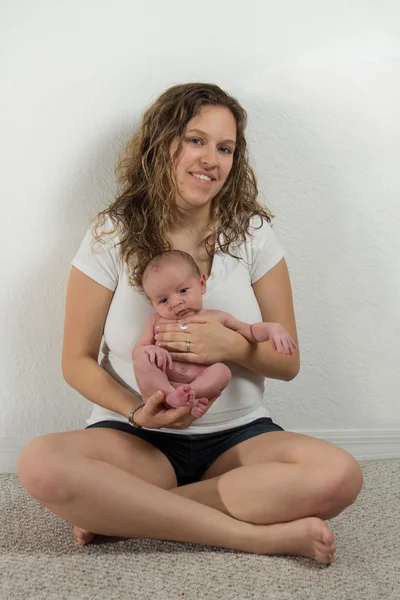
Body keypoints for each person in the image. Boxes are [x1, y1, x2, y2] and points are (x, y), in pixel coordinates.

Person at [16, 82, 363, 565]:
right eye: (196, 140)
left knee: (340, 475)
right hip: (136, 441)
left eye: (226, 148)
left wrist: (232, 347)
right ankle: (255, 536)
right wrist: (139, 411)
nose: (211, 159)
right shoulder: (109, 234)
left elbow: (289, 364)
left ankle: (126, 514)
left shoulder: (254, 234)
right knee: (39, 462)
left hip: (239, 440)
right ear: (163, 143)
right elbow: (76, 361)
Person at [134, 249, 298, 417]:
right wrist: (150, 350)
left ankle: (192, 396)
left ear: (202, 284)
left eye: (183, 290)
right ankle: (170, 397)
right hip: (164, 381)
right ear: (152, 303)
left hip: (198, 381)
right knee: (141, 362)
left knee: (222, 371)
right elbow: (138, 350)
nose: (176, 302)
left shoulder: (216, 317)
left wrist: (272, 329)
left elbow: (249, 331)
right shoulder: (156, 321)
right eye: (163, 300)